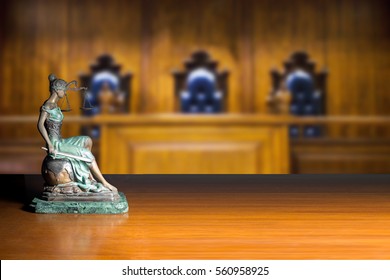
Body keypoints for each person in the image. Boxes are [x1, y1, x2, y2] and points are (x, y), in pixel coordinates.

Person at [37, 74, 117, 193]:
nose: (65, 93)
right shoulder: (48, 105)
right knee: (87, 154)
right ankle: (104, 182)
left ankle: (89, 176)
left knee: (87, 140)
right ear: (57, 90)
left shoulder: (54, 105)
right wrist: (49, 144)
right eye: (64, 90)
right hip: (55, 143)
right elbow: (39, 125)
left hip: (60, 140)